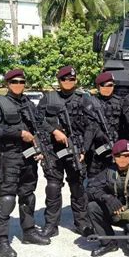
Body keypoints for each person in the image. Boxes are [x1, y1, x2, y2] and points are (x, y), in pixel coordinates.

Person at [0, 69, 50, 257]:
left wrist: (40, 146)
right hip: (10, 155)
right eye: (15, 82)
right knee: (7, 198)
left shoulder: (28, 103)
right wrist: (19, 133)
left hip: (29, 156)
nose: (19, 85)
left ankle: (28, 232)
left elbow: (38, 125)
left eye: (22, 82)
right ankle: (1, 241)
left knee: (28, 196)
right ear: (7, 84)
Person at [37, 66, 93, 238]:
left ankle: (81, 223)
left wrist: (84, 149)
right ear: (59, 80)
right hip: (53, 149)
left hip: (76, 148)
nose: (68, 82)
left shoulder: (83, 99)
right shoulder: (48, 98)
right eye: (64, 79)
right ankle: (51, 225)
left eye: (71, 79)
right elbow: (38, 120)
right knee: (53, 187)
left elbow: (91, 126)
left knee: (77, 186)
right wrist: (54, 131)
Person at [83, 72, 121, 178]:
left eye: (111, 85)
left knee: (114, 178)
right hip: (96, 148)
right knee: (94, 178)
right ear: (98, 87)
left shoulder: (119, 102)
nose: (109, 88)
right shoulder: (90, 102)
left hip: (116, 147)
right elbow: (87, 126)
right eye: (105, 85)